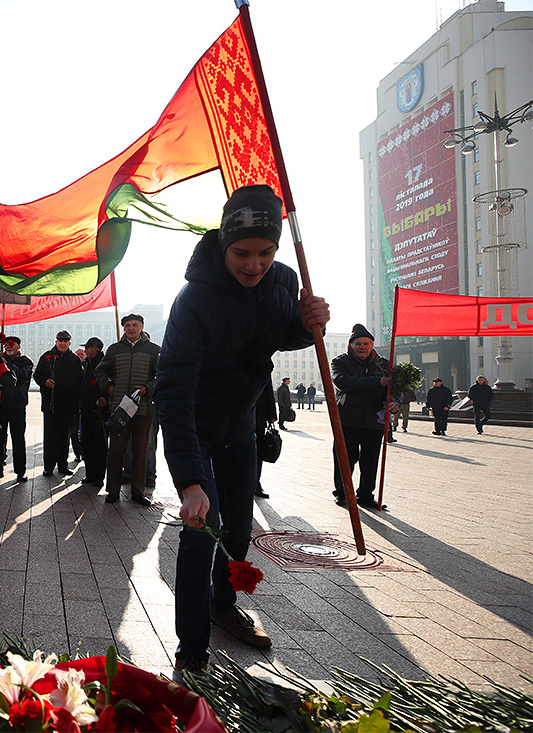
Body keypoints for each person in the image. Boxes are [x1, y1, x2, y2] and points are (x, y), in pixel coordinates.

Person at [153, 184, 330, 680]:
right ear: (224, 246)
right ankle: (192, 648)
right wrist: (189, 479)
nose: (254, 265)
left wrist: (306, 321)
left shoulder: (282, 280)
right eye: (242, 254)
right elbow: (174, 391)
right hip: (199, 425)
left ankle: (222, 603)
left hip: (243, 426)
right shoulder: (194, 300)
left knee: (237, 530)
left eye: (265, 253)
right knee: (199, 532)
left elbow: (278, 332)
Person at [330, 324, 399, 509]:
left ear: (372, 345)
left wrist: (396, 404)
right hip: (347, 419)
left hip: (374, 421)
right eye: (358, 343)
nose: (362, 347)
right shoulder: (340, 362)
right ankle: (343, 493)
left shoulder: (384, 364)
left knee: (370, 461)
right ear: (351, 345)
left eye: (366, 343)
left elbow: (399, 388)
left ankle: (366, 495)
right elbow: (342, 381)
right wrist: (377, 381)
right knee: (345, 458)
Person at [96, 313, 160, 506]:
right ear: (123, 328)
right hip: (120, 408)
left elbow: (162, 376)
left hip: (143, 408)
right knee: (116, 450)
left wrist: (147, 388)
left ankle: (138, 492)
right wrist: (108, 386)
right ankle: (112, 490)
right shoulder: (114, 350)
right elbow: (100, 370)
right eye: (127, 325)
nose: (131, 328)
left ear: (142, 326)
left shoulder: (154, 350)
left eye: (135, 325)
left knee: (141, 450)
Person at [33, 330, 82, 477]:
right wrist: (44, 382)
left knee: (64, 436)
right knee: (50, 436)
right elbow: (37, 375)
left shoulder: (74, 359)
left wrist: (77, 403)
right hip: (51, 405)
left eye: (65, 341)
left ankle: (63, 465)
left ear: (69, 343)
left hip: (68, 405)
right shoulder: (47, 357)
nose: (62, 343)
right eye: (60, 340)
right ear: (56, 342)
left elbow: (80, 381)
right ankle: (48, 466)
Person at [0, 336, 34, 483]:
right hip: (0, 405)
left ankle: (20, 471)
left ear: (18, 347)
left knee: (18, 438)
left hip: (17, 406)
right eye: (5, 344)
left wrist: (6, 365)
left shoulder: (26, 362)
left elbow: (21, 377)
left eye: (11, 345)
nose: (8, 347)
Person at [79, 337, 109, 488]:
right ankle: (89, 474)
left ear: (95, 349)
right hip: (86, 408)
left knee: (100, 443)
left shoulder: (105, 363)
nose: (85, 351)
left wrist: (104, 397)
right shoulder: (87, 363)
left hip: (100, 410)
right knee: (87, 441)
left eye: (88, 348)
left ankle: (99, 476)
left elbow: (109, 383)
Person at [253, 380, 277, 499]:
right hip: (238, 418)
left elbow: (268, 389)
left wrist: (272, 415)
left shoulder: (261, 362)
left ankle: (256, 484)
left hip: (258, 418)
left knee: (258, 454)